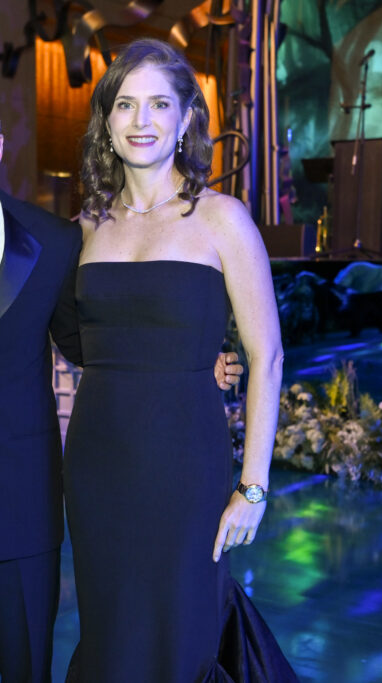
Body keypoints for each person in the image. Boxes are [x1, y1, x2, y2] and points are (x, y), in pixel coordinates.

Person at [0, 72, 242, 682]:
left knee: (28, 672)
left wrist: (187, 360)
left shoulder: (56, 243)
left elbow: (94, 341)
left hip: (22, 505)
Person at [63, 39, 297, 681]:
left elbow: (266, 355)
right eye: (126, 105)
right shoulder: (84, 228)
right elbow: (67, 340)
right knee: (113, 630)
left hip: (186, 468)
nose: (141, 120)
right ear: (106, 122)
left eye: (159, 104)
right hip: (96, 467)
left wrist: (252, 487)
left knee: (183, 627)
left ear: (187, 117)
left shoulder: (222, 219)